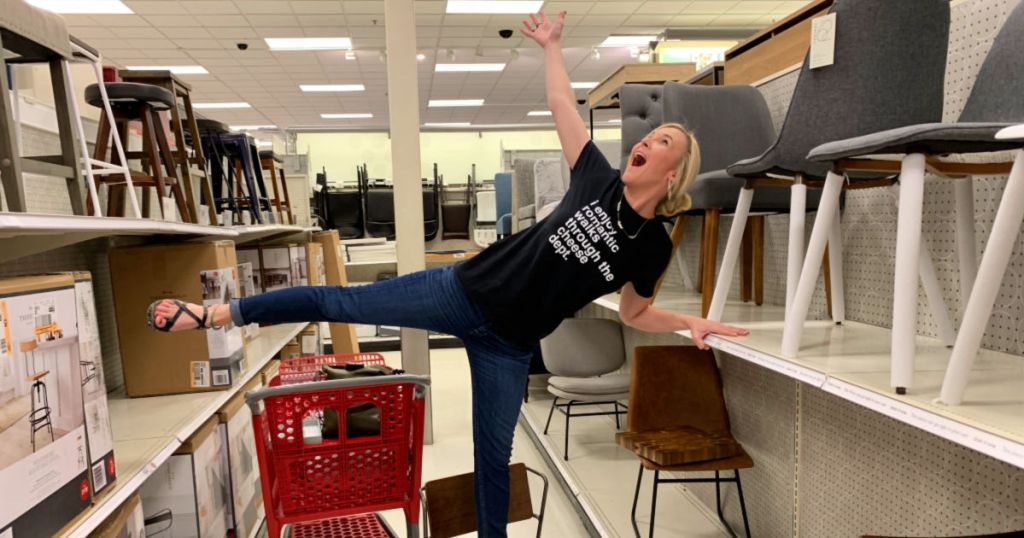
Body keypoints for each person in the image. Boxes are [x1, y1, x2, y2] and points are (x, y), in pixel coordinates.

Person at [148, 10, 748, 537]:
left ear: (673, 174)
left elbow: (636, 312)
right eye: (650, 132)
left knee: (492, 457)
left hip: (509, 347)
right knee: (343, 302)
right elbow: (564, 105)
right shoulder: (596, 177)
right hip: (459, 291)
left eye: (662, 138)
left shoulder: (649, 248)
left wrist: (687, 322)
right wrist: (552, 49)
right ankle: (220, 312)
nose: (645, 138)